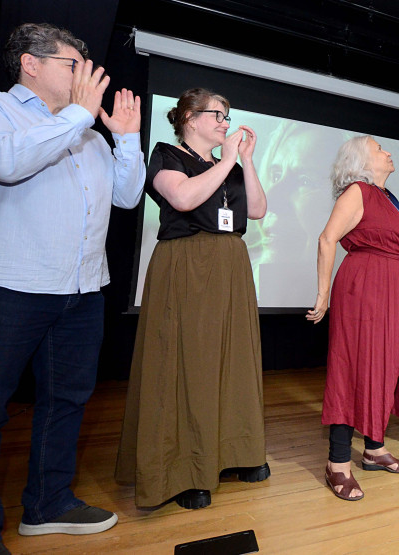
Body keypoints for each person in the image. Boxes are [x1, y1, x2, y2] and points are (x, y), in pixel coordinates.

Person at [0, 23, 144, 554]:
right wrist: (78, 116)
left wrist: (126, 139)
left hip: (82, 291)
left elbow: (126, 197)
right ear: (30, 64)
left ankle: (49, 504)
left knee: (67, 402)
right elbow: (6, 163)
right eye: (73, 64)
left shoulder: (88, 135)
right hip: (5, 287)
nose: (86, 75)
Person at [115, 88, 269, 510]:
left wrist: (246, 161)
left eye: (227, 115)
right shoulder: (167, 155)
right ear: (189, 118)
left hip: (230, 266)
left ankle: (234, 454)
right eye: (217, 114)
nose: (225, 122)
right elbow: (182, 198)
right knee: (188, 365)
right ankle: (183, 469)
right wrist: (228, 162)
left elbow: (257, 210)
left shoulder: (228, 165)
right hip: (189, 266)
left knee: (231, 360)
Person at [307, 135, 399, 501]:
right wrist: (323, 294)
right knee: (353, 369)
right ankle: (338, 463)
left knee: (385, 369)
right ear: (361, 162)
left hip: (395, 294)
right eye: (379, 149)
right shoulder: (358, 191)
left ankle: (374, 449)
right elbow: (327, 239)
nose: (388, 152)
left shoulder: (387, 197)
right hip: (367, 292)